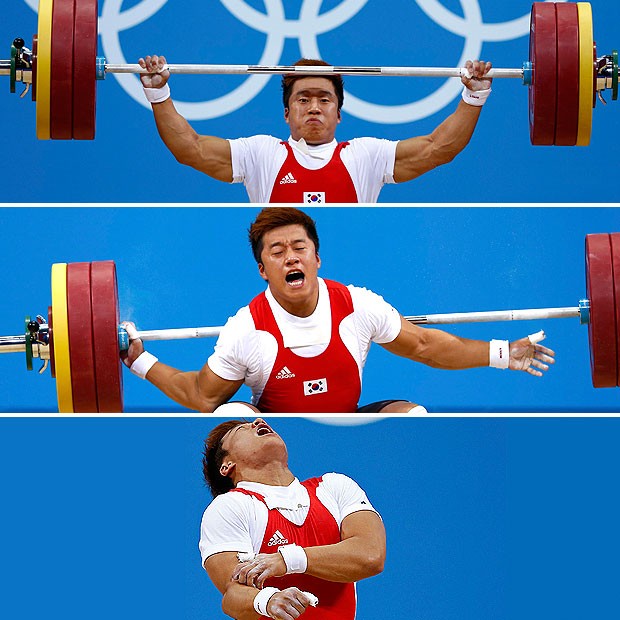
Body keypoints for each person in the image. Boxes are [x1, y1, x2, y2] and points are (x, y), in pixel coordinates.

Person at [121, 208, 555, 413]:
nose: (290, 258)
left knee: (413, 417)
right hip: (280, 436)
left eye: (299, 248)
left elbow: (423, 344)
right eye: (277, 252)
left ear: (316, 258)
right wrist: (139, 359)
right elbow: (200, 394)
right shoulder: (246, 328)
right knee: (232, 415)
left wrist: (501, 353)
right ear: (262, 270)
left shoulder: (359, 306)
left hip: (349, 427)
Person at [138, 56, 493, 203]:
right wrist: (158, 92)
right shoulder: (261, 153)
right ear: (286, 113)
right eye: (303, 99)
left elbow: (438, 148)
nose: (313, 108)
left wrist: (473, 97)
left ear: (339, 114)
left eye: (324, 100)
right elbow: (191, 149)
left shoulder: (365, 155)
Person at [199, 417, 386, 619]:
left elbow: (370, 556)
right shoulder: (229, 507)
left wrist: (287, 560)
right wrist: (268, 600)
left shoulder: (335, 487)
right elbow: (233, 595)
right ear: (227, 465)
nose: (258, 421)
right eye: (242, 429)